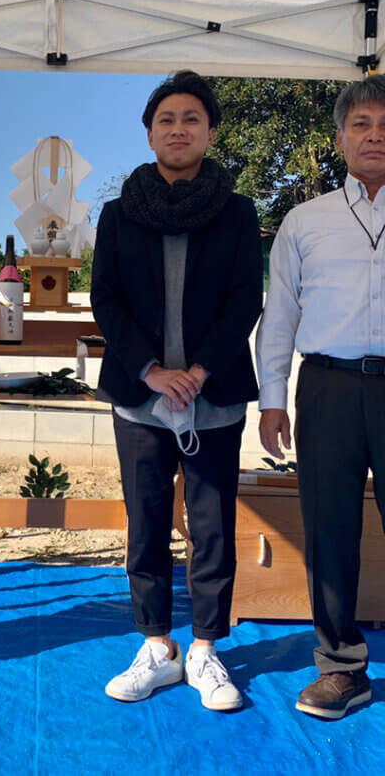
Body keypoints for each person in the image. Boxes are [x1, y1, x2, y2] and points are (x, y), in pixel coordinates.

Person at [91, 71, 262, 709]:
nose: (179, 129)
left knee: (212, 526)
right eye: (166, 119)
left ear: (211, 132)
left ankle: (206, 650)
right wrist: (151, 371)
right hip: (141, 399)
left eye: (192, 119)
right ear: (149, 134)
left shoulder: (238, 212)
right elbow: (106, 300)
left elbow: (246, 298)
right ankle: (157, 647)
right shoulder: (118, 214)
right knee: (147, 523)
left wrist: (199, 370)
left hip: (212, 396)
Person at [257, 75, 385, 720]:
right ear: (339, 139)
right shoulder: (305, 221)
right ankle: (341, 668)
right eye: (361, 124)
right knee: (330, 530)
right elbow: (279, 314)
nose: (375, 136)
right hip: (328, 387)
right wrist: (272, 398)